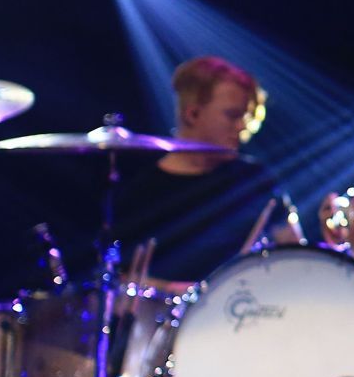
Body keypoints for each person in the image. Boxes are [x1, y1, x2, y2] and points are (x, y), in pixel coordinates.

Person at [117, 55, 285, 293]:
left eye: (246, 118)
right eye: (232, 115)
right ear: (192, 114)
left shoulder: (255, 179)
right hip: (162, 323)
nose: (242, 127)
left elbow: (293, 252)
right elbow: (122, 279)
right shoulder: (141, 190)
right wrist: (184, 293)